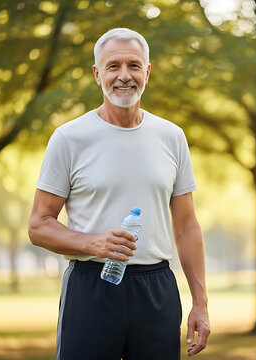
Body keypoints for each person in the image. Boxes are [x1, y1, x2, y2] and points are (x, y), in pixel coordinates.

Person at [28, 28, 210, 359]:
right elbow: (38, 224)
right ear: (98, 74)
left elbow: (186, 226)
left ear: (147, 72)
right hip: (91, 286)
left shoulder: (172, 137)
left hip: (157, 289)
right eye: (113, 66)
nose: (124, 76)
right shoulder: (69, 138)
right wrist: (92, 243)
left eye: (134, 66)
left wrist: (201, 303)